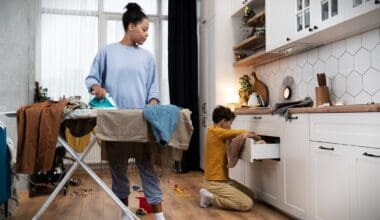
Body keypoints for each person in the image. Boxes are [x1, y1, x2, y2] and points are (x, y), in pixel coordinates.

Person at [85, 3, 165, 220]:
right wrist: (97, 88)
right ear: (131, 26)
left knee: (147, 167)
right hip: (115, 121)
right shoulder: (108, 52)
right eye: (144, 29)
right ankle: (124, 214)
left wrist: (154, 102)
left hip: (140, 120)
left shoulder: (147, 57)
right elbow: (92, 78)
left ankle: (159, 216)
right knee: (118, 168)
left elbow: (153, 88)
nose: (147, 34)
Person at [200, 105, 261, 211]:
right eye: (230, 123)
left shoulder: (216, 131)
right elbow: (240, 132)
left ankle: (213, 194)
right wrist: (254, 135)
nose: (230, 127)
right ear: (223, 122)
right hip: (215, 183)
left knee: (251, 194)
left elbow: (231, 135)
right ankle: (210, 196)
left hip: (223, 180)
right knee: (247, 204)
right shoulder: (215, 132)